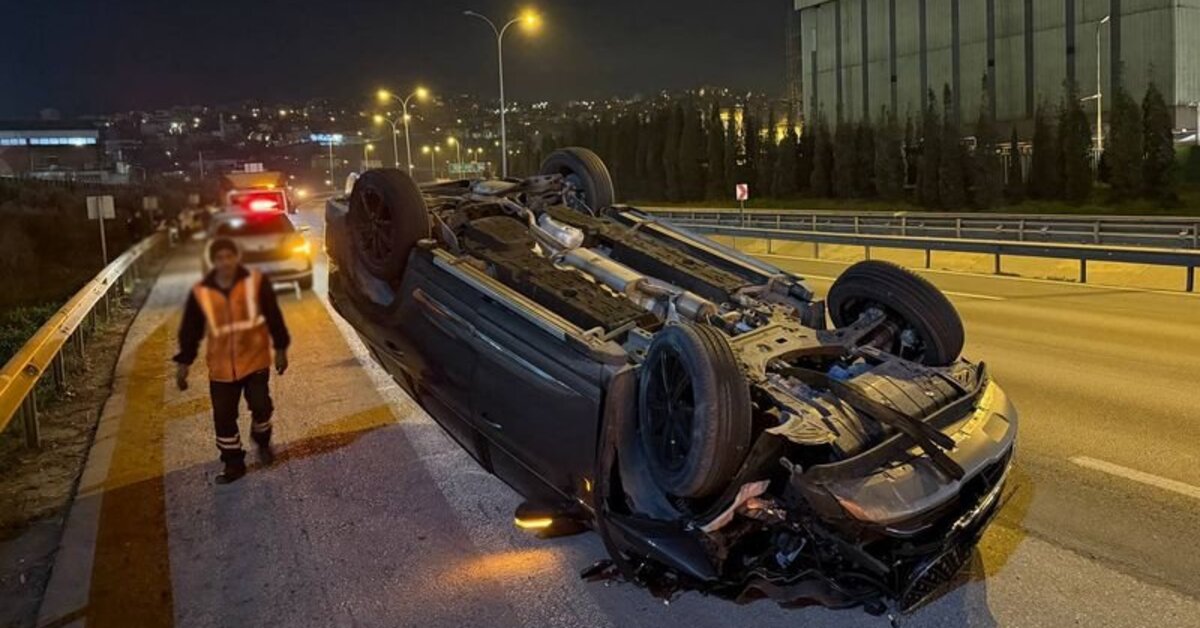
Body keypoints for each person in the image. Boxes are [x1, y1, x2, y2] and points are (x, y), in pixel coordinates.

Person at [174, 237, 291, 484]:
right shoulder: (202, 291)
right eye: (220, 258)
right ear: (213, 261)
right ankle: (233, 464)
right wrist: (183, 364)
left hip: (255, 360)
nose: (225, 262)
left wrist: (281, 348)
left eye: (229, 256)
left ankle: (262, 441)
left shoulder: (255, 282)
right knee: (224, 418)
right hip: (221, 368)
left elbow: (273, 315)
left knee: (262, 408)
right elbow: (190, 330)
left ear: (237, 257)